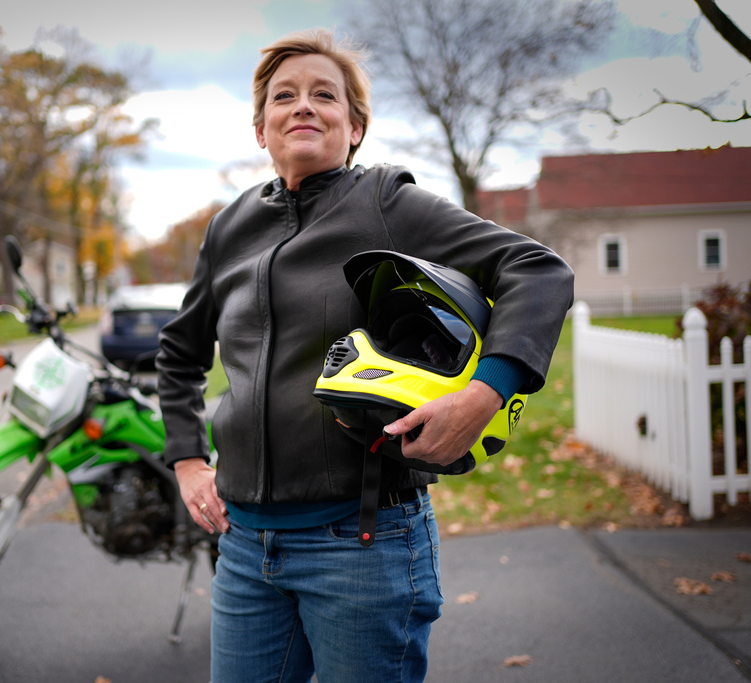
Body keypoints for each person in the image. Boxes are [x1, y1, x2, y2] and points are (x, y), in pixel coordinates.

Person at [156, 28, 574, 683]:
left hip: (362, 543)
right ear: (260, 130)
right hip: (243, 547)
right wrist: (185, 460)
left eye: (325, 95)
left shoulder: (385, 203)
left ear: (354, 127)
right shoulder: (229, 226)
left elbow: (536, 268)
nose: (303, 105)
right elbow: (180, 352)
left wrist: (485, 392)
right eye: (283, 96)